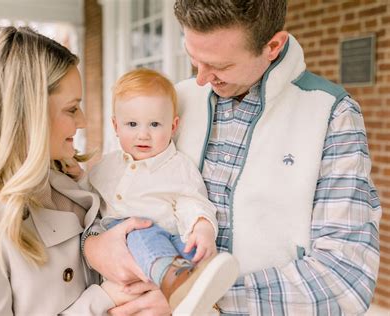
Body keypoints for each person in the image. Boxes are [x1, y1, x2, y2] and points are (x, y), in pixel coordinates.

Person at [84, 1, 382, 315]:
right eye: (193, 58)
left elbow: (346, 279)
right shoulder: (172, 103)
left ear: (272, 46)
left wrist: (195, 298)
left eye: (221, 66)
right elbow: (111, 197)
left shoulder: (331, 113)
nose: (200, 79)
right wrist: (93, 246)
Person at [0, 26, 158, 315]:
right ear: (29, 114)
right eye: (71, 109)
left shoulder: (58, 180)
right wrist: (104, 302)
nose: (82, 121)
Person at [76, 68, 238, 315]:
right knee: (137, 230)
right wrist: (73, 173)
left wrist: (202, 227)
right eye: (132, 124)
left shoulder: (177, 166)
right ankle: (181, 282)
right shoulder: (105, 166)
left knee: (184, 246)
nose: (143, 134)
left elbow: (192, 201)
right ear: (115, 126)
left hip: (168, 244)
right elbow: (85, 195)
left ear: (173, 126)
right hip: (126, 250)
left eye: (154, 124)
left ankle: (196, 281)